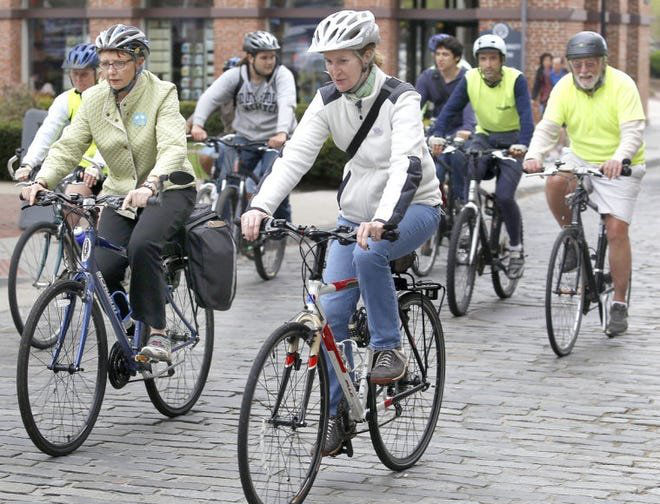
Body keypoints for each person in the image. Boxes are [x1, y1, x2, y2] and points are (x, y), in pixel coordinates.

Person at [241, 10, 442, 456]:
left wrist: (384, 220)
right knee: (329, 315)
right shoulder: (327, 100)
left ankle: (389, 349)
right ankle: (338, 414)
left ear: (368, 56)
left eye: (343, 61)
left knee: (372, 253)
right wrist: (259, 205)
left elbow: (406, 163)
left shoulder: (400, 98)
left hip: (415, 208)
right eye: (328, 61)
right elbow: (294, 158)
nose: (334, 70)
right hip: (355, 216)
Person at [21, 24, 197, 362]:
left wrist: (152, 183)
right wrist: (42, 181)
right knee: (102, 264)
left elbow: (174, 146)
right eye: (104, 63)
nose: (110, 71)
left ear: (139, 61)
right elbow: (69, 145)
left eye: (119, 62)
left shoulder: (162, 93)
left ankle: (157, 334)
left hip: (169, 188)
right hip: (119, 193)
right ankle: (131, 324)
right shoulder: (94, 98)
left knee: (142, 245)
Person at [523, 31, 645, 336]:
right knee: (554, 182)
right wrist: (533, 154)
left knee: (616, 229)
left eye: (590, 63)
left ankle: (618, 302)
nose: (584, 70)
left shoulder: (622, 85)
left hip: (620, 164)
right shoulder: (564, 86)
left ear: (602, 62)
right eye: (577, 65)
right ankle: (572, 241)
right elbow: (548, 128)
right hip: (580, 156)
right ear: (570, 65)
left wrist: (619, 157)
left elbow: (633, 132)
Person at [430, 33, 534, 278]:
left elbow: (527, 118)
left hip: (513, 140)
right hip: (485, 136)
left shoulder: (516, 80)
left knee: (506, 196)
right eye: (483, 59)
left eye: (493, 59)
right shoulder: (470, 78)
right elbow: (450, 110)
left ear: (501, 60)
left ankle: (516, 249)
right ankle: (470, 216)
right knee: (469, 168)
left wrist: (523, 145)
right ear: (478, 61)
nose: (488, 64)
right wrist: (437, 134)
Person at [190, 31, 297, 220]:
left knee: (273, 183)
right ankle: (225, 227)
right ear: (250, 57)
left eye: (272, 56)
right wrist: (198, 125)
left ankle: (281, 228)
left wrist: (281, 133)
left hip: (274, 140)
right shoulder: (236, 75)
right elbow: (209, 97)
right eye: (264, 57)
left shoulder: (282, 75)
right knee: (228, 181)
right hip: (245, 138)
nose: (270, 61)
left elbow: (287, 104)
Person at [16, 43, 106, 199]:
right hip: (85, 169)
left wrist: (98, 164)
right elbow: (47, 132)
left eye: (84, 74)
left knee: (104, 216)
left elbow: (112, 136)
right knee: (68, 208)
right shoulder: (65, 99)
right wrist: (28, 163)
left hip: (112, 168)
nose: (78, 79)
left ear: (97, 73)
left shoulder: (109, 97)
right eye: (74, 74)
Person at [416, 33, 475, 203]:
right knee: (435, 174)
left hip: (460, 130)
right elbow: (413, 106)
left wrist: (466, 130)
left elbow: (470, 113)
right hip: (439, 130)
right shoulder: (428, 77)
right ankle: (437, 211)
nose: (440, 58)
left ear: (456, 58)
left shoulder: (467, 77)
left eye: (445, 54)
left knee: (457, 159)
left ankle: (460, 204)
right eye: (438, 54)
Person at [531, 52, 553, 117]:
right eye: (545, 60)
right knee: (543, 116)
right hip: (544, 97)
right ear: (542, 62)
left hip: (553, 96)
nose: (547, 62)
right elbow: (537, 85)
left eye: (549, 60)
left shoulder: (554, 71)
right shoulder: (540, 71)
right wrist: (533, 98)